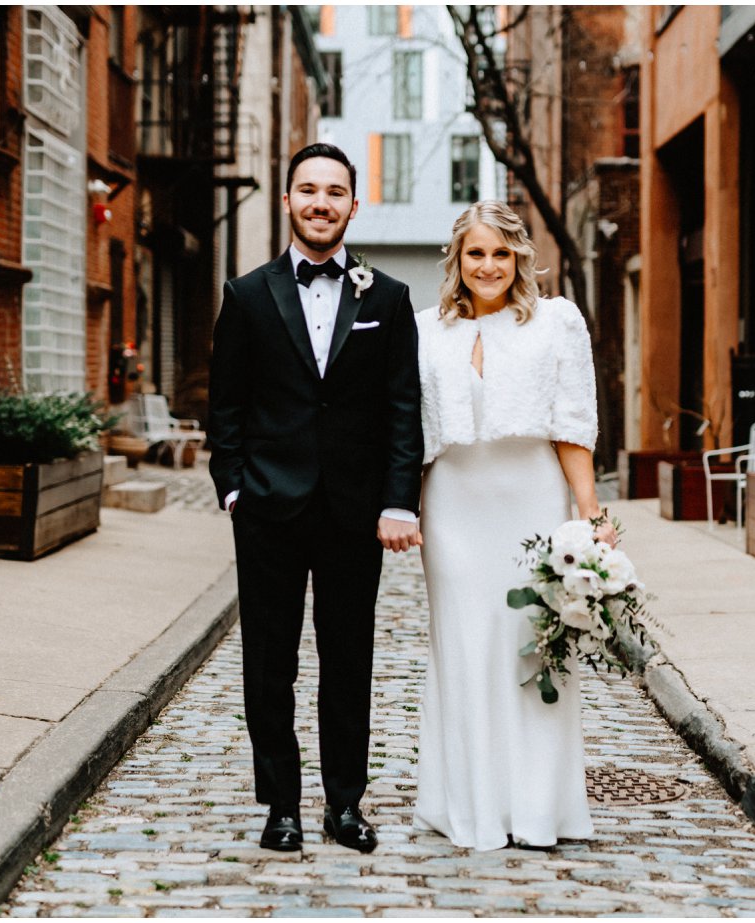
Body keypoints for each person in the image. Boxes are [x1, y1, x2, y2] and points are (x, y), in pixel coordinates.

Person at [207, 143, 424, 853]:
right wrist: (235, 487)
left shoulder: (386, 299)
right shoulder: (246, 295)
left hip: (354, 513)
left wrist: (399, 502)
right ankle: (282, 805)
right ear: (288, 199)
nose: (321, 202)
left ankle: (344, 803)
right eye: (308, 189)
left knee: (348, 660)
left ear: (353, 205)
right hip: (268, 508)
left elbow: (402, 409)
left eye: (335, 191)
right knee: (269, 663)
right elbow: (226, 406)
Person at [412, 201, 611, 850]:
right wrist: (402, 510)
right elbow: (408, 433)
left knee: (532, 647)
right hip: (453, 508)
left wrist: (591, 513)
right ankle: (468, 805)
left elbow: (573, 424)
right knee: (466, 650)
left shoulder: (556, 323)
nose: (489, 265)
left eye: (502, 253)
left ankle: (535, 809)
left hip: (532, 501)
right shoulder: (424, 331)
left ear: (520, 257)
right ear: (457, 259)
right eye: (477, 253)